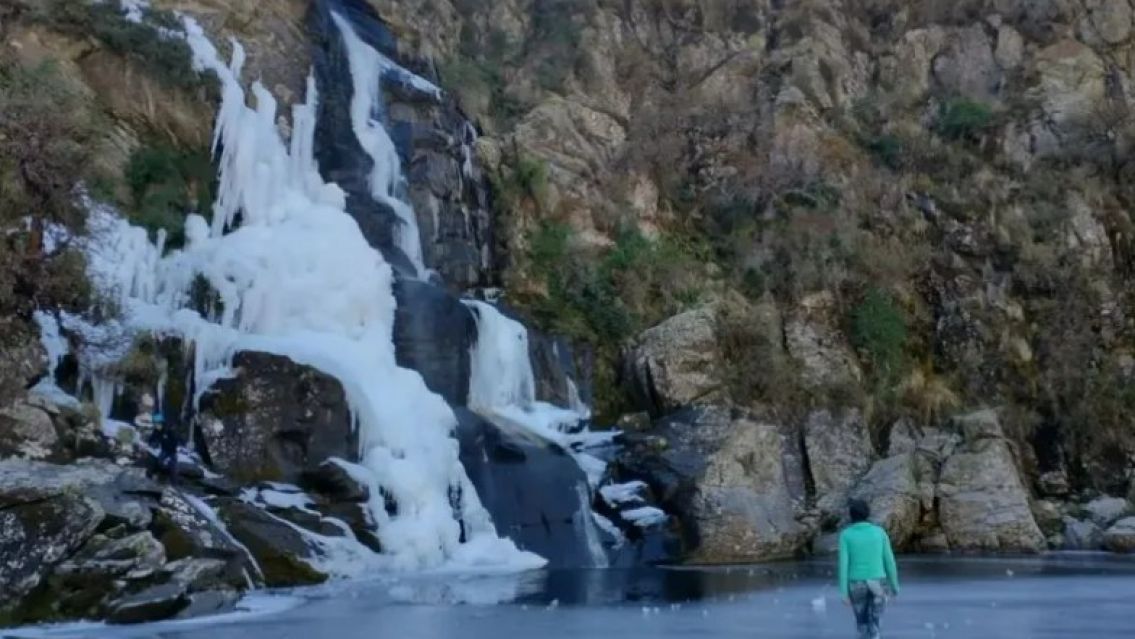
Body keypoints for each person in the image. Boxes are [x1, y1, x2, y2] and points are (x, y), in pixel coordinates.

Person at [839, 498, 900, 639]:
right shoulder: (879, 532)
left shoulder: (846, 535)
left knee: (862, 622)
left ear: (851, 515)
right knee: (875, 622)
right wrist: (895, 586)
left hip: (856, 583)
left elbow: (843, 565)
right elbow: (889, 561)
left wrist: (844, 593)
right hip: (878, 582)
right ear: (867, 513)